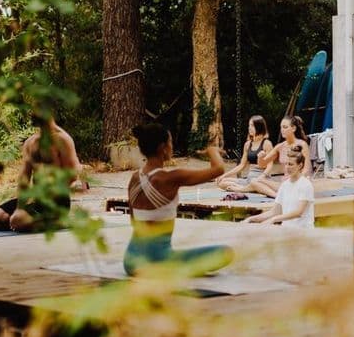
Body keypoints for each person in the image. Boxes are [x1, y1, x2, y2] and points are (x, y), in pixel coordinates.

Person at [123, 123, 234, 276]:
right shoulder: (171, 177)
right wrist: (212, 151)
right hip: (158, 262)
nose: (172, 146)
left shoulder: (134, 178)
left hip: (131, 261)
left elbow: (133, 221)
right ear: (163, 148)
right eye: (170, 142)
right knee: (226, 253)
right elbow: (219, 169)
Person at [0, 115, 85, 232]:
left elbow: (73, 174)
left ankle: (59, 222)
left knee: (17, 220)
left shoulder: (62, 139)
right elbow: (24, 177)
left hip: (56, 202)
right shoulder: (30, 142)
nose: (31, 115)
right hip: (36, 199)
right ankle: (33, 221)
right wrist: (20, 207)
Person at [243, 147, 315, 228]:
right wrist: (251, 219)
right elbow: (275, 211)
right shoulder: (284, 185)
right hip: (286, 232)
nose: (287, 167)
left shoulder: (305, 184)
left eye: (291, 164)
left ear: (300, 165)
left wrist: (274, 219)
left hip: (303, 233)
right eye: (286, 164)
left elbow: (299, 212)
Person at [247, 115, 312, 198]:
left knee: (255, 183)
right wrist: (260, 157)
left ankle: (281, 194)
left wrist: (297, 183)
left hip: (297, 183)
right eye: (281, 127)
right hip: (284, 184)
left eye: (285, 127)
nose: (282, 130)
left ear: (293, 128)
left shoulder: (302, 144)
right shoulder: (280, 146)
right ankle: (278, 196)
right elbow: (262, 164)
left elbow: (306, 169)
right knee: (255, 181)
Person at [216, 115, 274, 192]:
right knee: (222, 182)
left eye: (252, 125)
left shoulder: (267, 143)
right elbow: (242, 165)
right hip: (249, 179)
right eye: (249, 125)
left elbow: (270, 165)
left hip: (261, 179)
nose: (249, 128)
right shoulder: (247, 144)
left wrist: (262, 177)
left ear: (259, 127)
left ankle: (246, 188)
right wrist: (224, 175)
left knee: (254, 183)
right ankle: (246, 188)